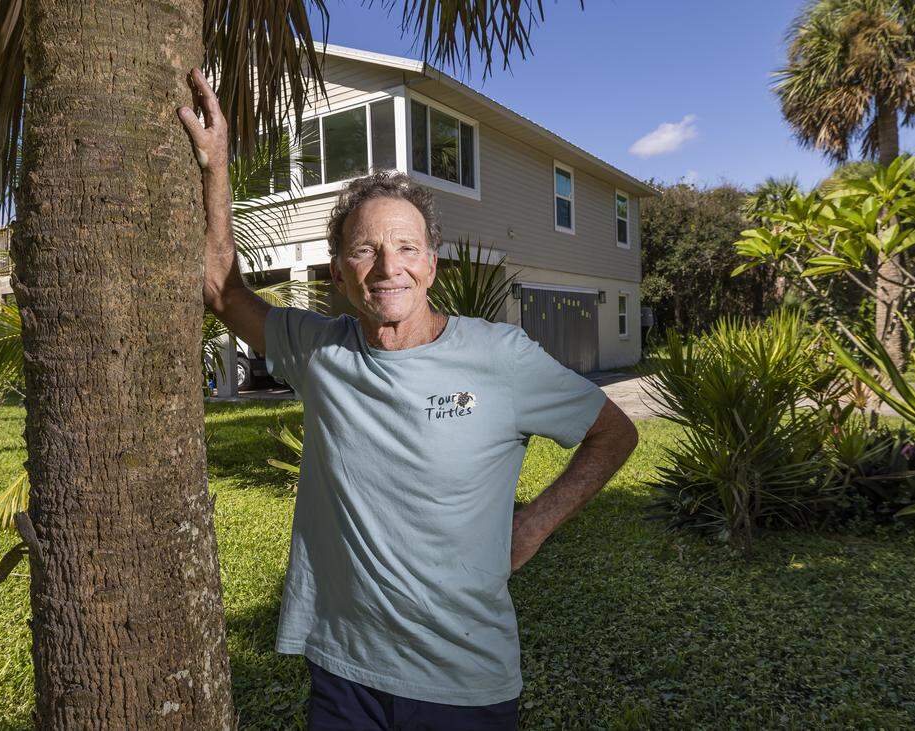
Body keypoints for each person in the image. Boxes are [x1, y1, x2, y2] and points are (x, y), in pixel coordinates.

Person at [178, 67, 639, 730]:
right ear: (340, 271)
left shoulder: (499, 357)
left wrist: (534, 525)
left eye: (404, 248)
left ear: (430, 262)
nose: (387, 268)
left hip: (464, 683)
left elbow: (615, 432)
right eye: (365, 250)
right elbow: (221, 289)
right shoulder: (321, 351)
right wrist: (215, 166)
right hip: (344, 673)